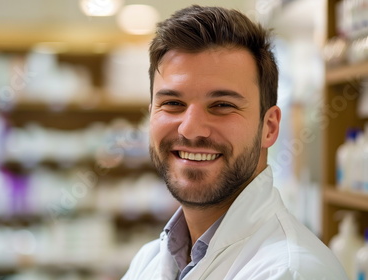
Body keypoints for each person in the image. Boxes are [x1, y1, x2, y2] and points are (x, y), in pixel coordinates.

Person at [122, 5, 347, 280]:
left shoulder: (290, 272)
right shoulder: (149, 261)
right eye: (172, 103)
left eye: (222, 105)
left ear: (270, 127)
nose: (191, 129)